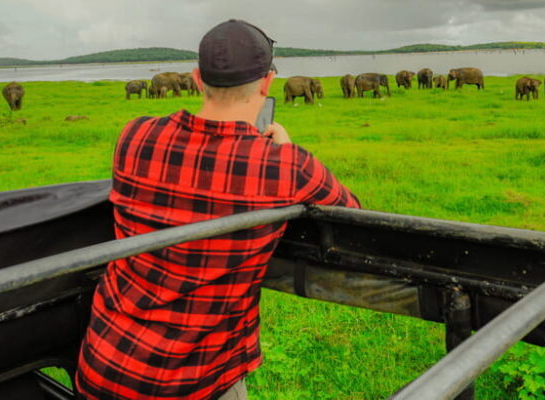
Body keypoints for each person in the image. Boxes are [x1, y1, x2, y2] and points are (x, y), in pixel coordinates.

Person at [76, 20, 360, 400]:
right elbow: (354, 218)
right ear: (267, 83)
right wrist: (285, 152)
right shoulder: (286, 166)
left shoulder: (134, 134)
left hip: (104, 366)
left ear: (196, 79)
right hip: (195, 383)